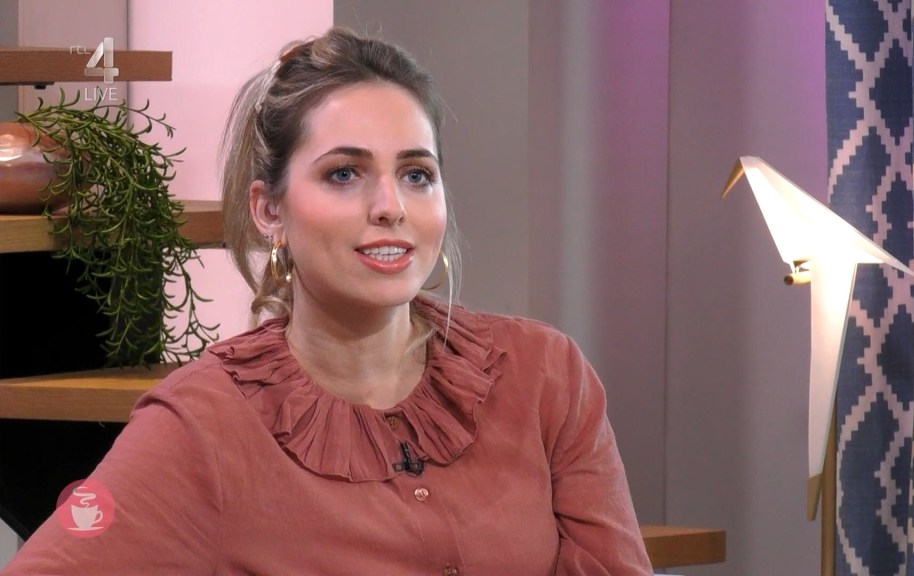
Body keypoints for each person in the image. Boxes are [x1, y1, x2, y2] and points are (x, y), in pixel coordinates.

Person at [2, 26, 653, 575]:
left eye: (417, 174)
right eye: (344, 173)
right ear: (270, 210)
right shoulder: (203, 425)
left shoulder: (545, 375)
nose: (390, 207)